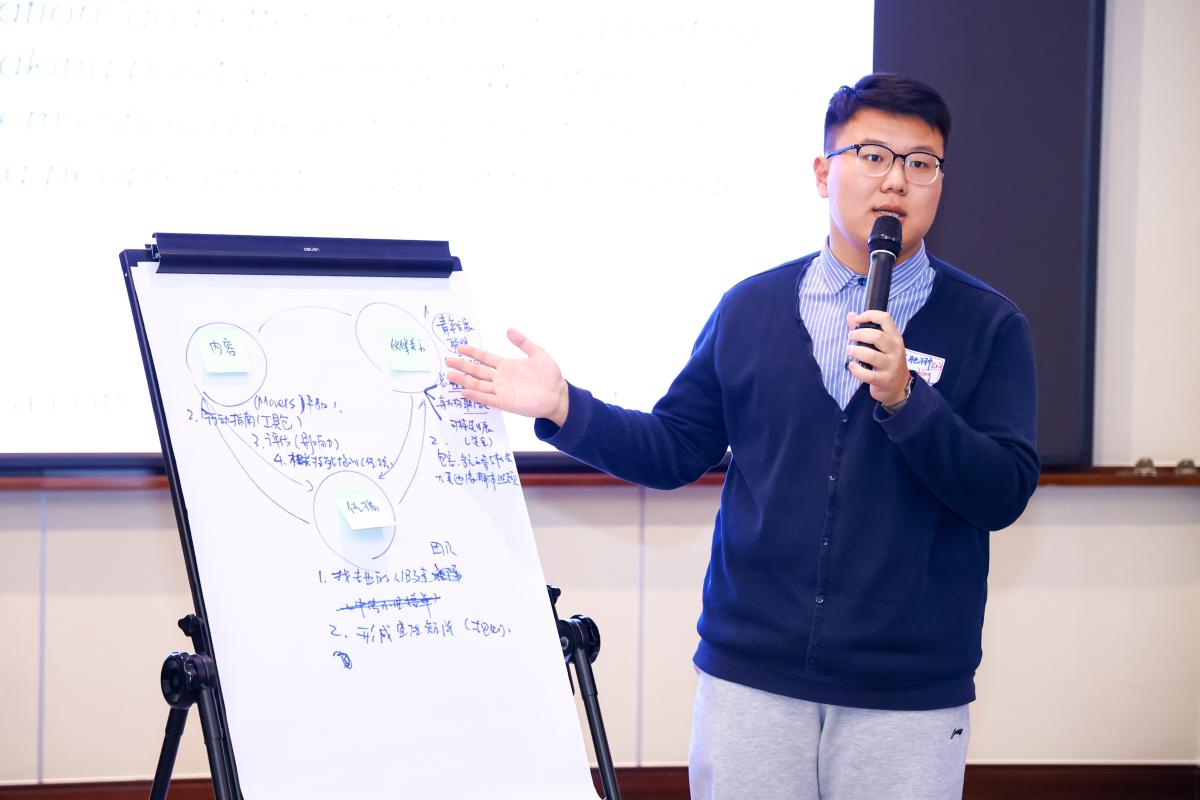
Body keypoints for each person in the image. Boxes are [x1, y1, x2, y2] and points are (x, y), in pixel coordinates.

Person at [446, 74, 1039, 800]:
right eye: (873, 156)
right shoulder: (751, 308)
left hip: (907, 691)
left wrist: (908, 400)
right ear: (823, 173)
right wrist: (566, 406)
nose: (896, 180)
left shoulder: (989, 323)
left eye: (921, 163)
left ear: (940, 182)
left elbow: (1002, 492)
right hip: (752, 680)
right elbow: (675, 448)